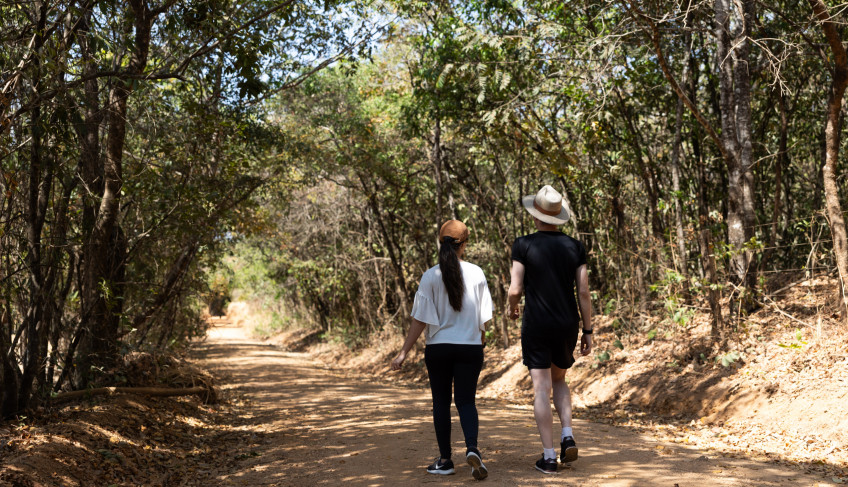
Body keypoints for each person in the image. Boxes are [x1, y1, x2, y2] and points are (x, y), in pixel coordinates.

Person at [391, 220, 493, 481]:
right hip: (470, 348)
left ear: (441, 242)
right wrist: (479, 341)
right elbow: (484, 319)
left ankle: (445, 460)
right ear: (465, 244)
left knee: (441, 403)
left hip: (439, 348)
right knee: (466, 401)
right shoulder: (477, 273)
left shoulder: (430, 276)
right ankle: (472, 449)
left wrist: (403, 352)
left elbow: (420, 319)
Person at [507, 185, 593, 474]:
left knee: (541, 388)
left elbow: (515, 288)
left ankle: (548, 457)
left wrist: (511, 306)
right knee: (560, 381)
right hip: (567, 322)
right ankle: (567, 433)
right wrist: (588, 330)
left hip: (538, 323)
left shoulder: (523, 244)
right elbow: (583, 292)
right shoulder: (574, 246)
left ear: (535, 215)